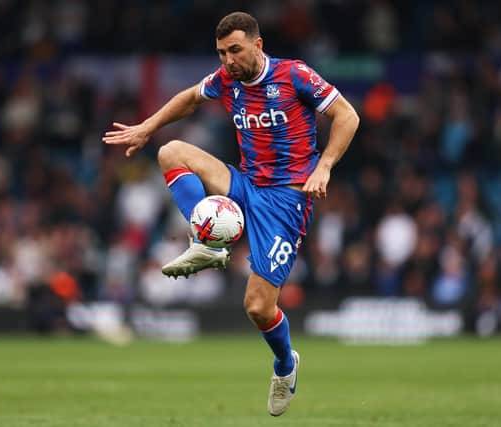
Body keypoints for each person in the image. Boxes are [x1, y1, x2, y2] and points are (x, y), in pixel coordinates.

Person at [103, 11, 359, 416]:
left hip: (285, 202)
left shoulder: (295, 75)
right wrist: (147, 127)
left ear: (257, 46)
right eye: (222, 53)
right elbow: (188, 99)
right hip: (246, 185)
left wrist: (324, 166)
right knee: (171, 152)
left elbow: (347, 115)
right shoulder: (227, 81)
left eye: (235, 51)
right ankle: (205, 241)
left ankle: (286, 365)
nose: (228, 61)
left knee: (257, 307)